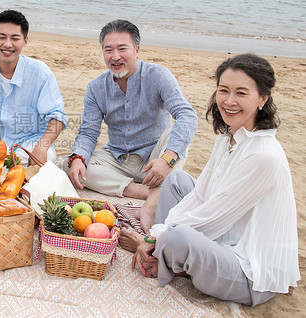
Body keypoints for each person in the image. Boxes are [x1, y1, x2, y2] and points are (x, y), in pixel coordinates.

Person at [124, 54, 299, 306]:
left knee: (177, 238)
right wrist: (158, 235)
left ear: (263, 98)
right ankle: (167, 255)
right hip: (224, 235)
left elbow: (212, 216)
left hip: (251, 270)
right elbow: (200, 196)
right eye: (223, 90)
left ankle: (166, 256)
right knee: (176, 181)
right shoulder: (227, 137)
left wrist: (154, 238)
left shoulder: (264, 155)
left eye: (241, 93)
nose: (229, 101)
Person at [65, 19, 198, 231]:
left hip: (155, 160)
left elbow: (188, 116)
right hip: (118, 159)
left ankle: (155, 195)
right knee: (69, 164)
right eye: (108, 50)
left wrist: (166, 160)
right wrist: (79, 158)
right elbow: (89, 133)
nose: (115, 56)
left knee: (177, 133)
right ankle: (146, 192)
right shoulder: (96, 88)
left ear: (137, 49)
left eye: (122, 49)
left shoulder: (159, 76)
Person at [0, 10, 67, 165]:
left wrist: (41, 148)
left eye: (15, 38)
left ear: (25, 41)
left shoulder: (40, 72)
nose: (7, 44)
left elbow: (57, 117)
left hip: (27, 144)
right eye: (2, 37)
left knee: (46, 156)